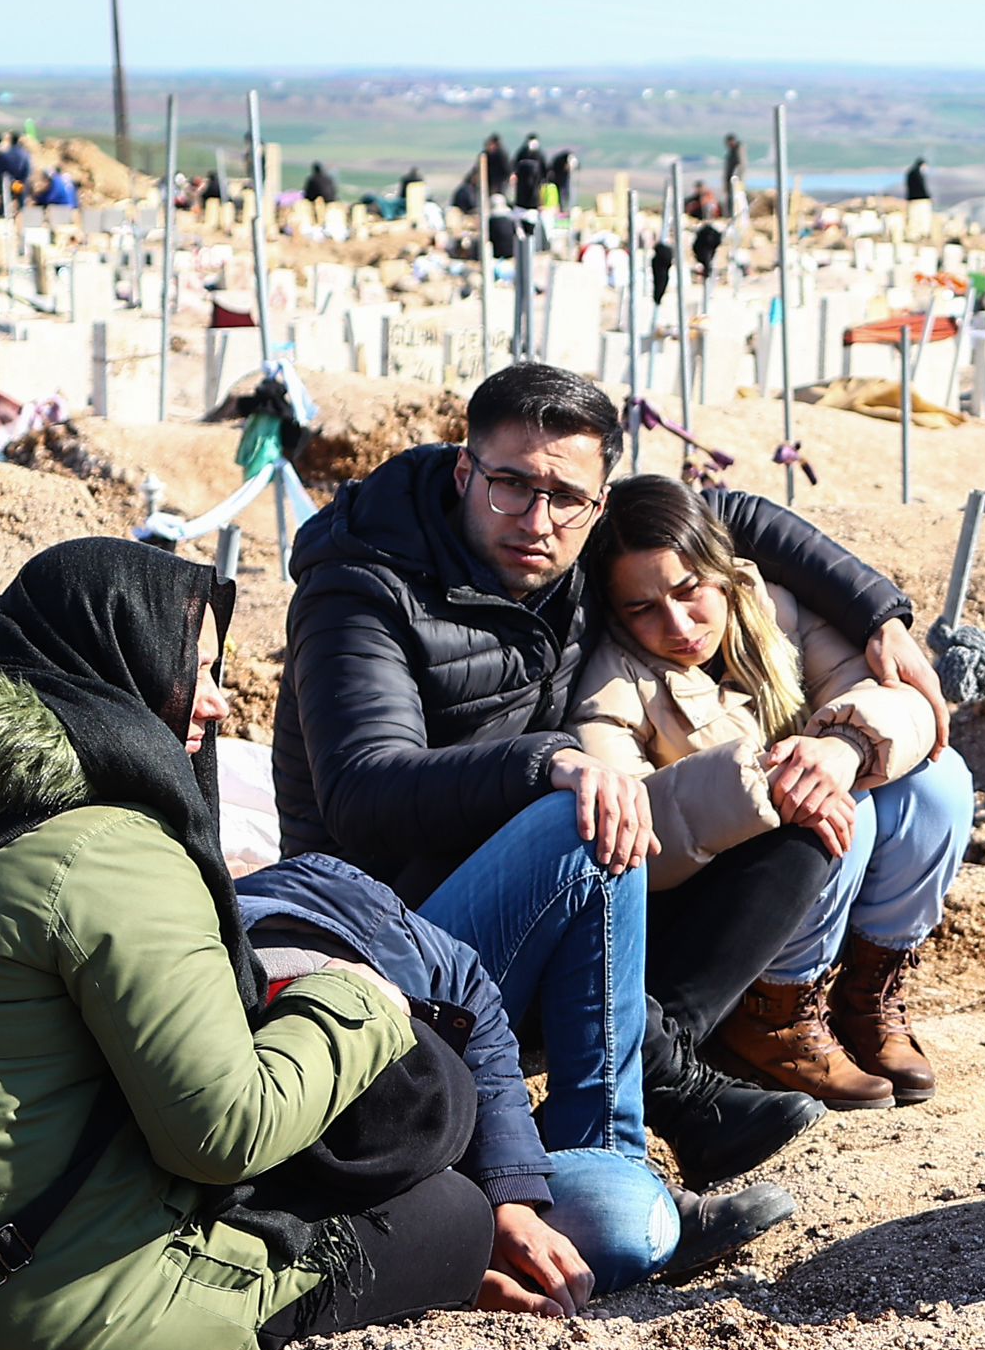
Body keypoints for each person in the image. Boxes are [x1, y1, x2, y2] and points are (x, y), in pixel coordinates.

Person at [0, 538, 498, 1350]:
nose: (219, 702)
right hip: (29, 1336)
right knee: (451, 1216)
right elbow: (222, 1134)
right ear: (115, 660)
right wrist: (354, 1005)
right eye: (198, 668)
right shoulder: (105, 849)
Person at [270, 363, 948, 1249]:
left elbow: (729, 519)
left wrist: (879, 610)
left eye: (565, 496)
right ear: (464, 469)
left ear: (597, 504)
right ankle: (646, 1115)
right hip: (396, 938)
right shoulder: (363, 588)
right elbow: (361, 792)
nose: (535, 519)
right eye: (511, 483)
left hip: (550, 900)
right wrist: (546, 761)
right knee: (586, 811)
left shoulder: (580, 548)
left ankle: (653, 1098)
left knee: (803, 804)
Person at [574, 477, 971, 1109]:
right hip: (720, 905)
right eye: (642, 609)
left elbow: (903, 705)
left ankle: (867, 991)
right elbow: (639, 844)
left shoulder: (778, 610)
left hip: (819, 880)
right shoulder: (609, 681)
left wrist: (843, 748)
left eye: (688, 590)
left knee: (940, 784)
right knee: (838, 810)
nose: (678, 624)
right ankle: (773, 1011)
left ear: (721, 570)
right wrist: (765, 783)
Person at [237, 851, 641, 1312]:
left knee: (627, 1220)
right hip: (338, 1209)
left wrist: (510, 1194)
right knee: (620, 1222)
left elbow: (473, 994)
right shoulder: (220, 1084)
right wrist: (448, 1275)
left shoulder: (366, 921)